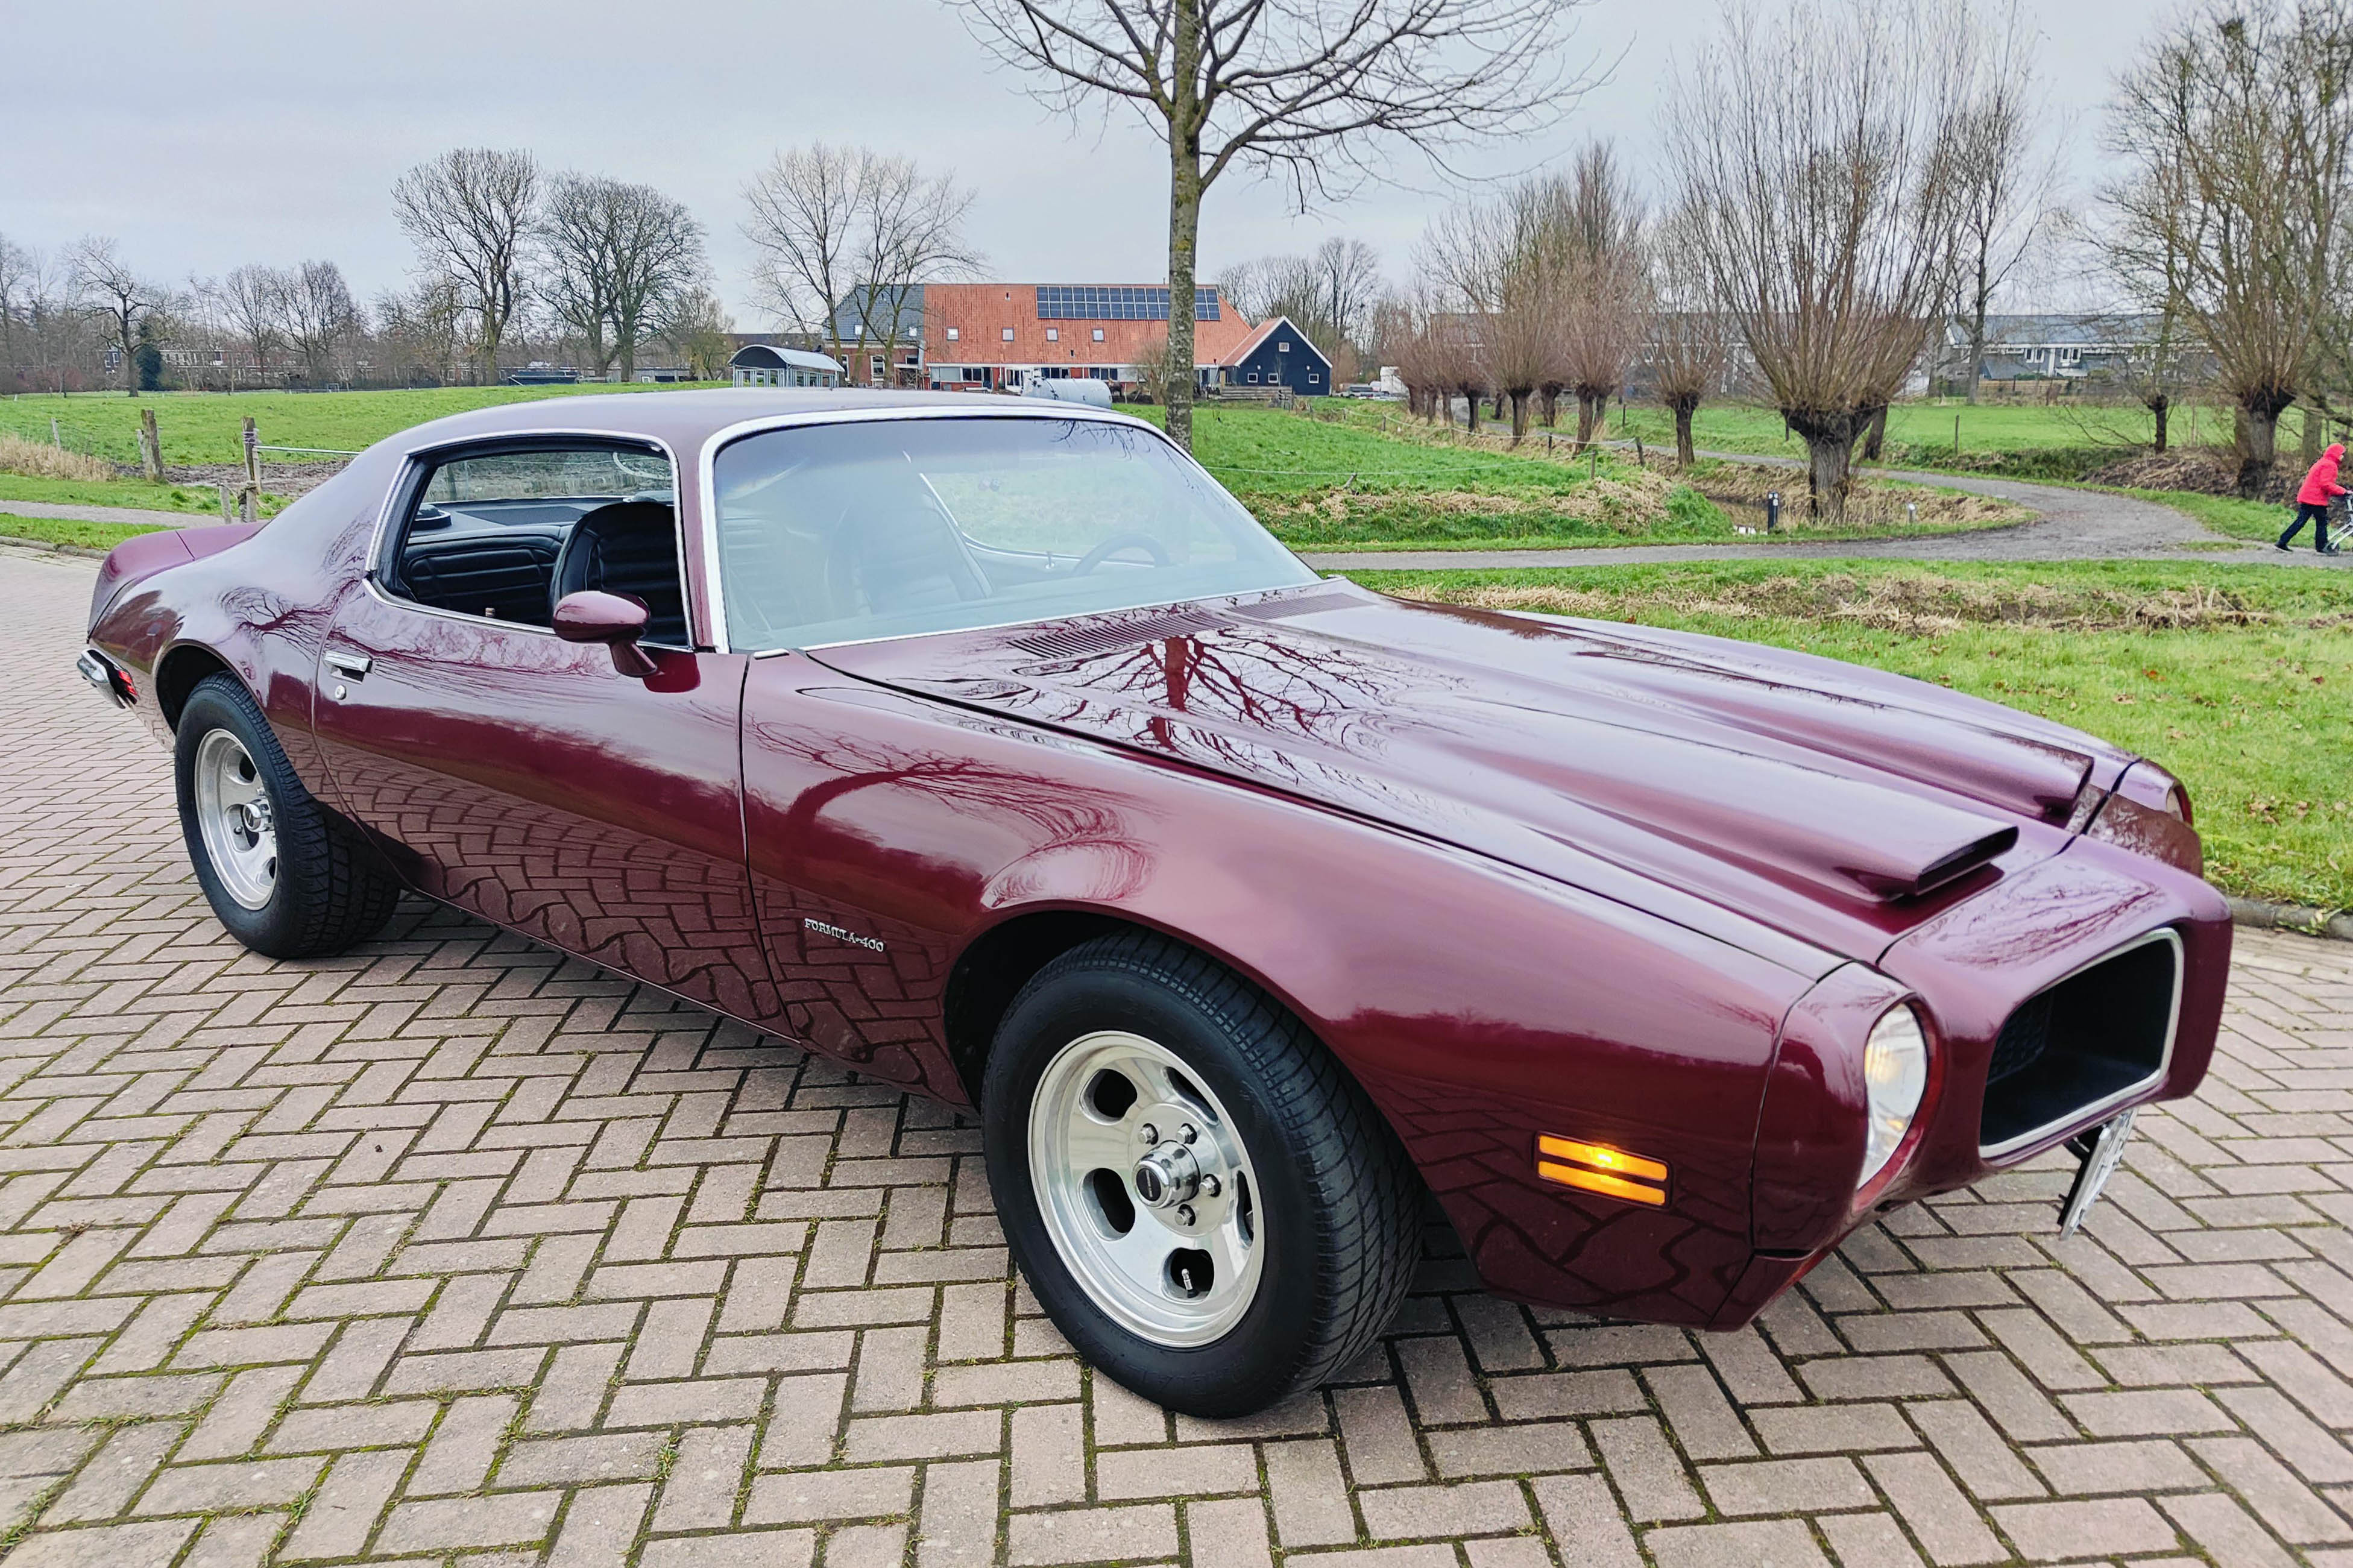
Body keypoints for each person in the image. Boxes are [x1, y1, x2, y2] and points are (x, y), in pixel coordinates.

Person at [2279, 441, 2346, 553]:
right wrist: (2343, 491)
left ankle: (2282, 541)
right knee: (2321, 522)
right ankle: (2322, 545)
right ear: (2336, 454)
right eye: (2341, 454)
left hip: (2308, 496)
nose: (2343, 457)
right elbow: (2326, 484)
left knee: (2301, 521)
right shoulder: (2330, 465)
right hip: (2315, 499)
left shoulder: (2322, 462)